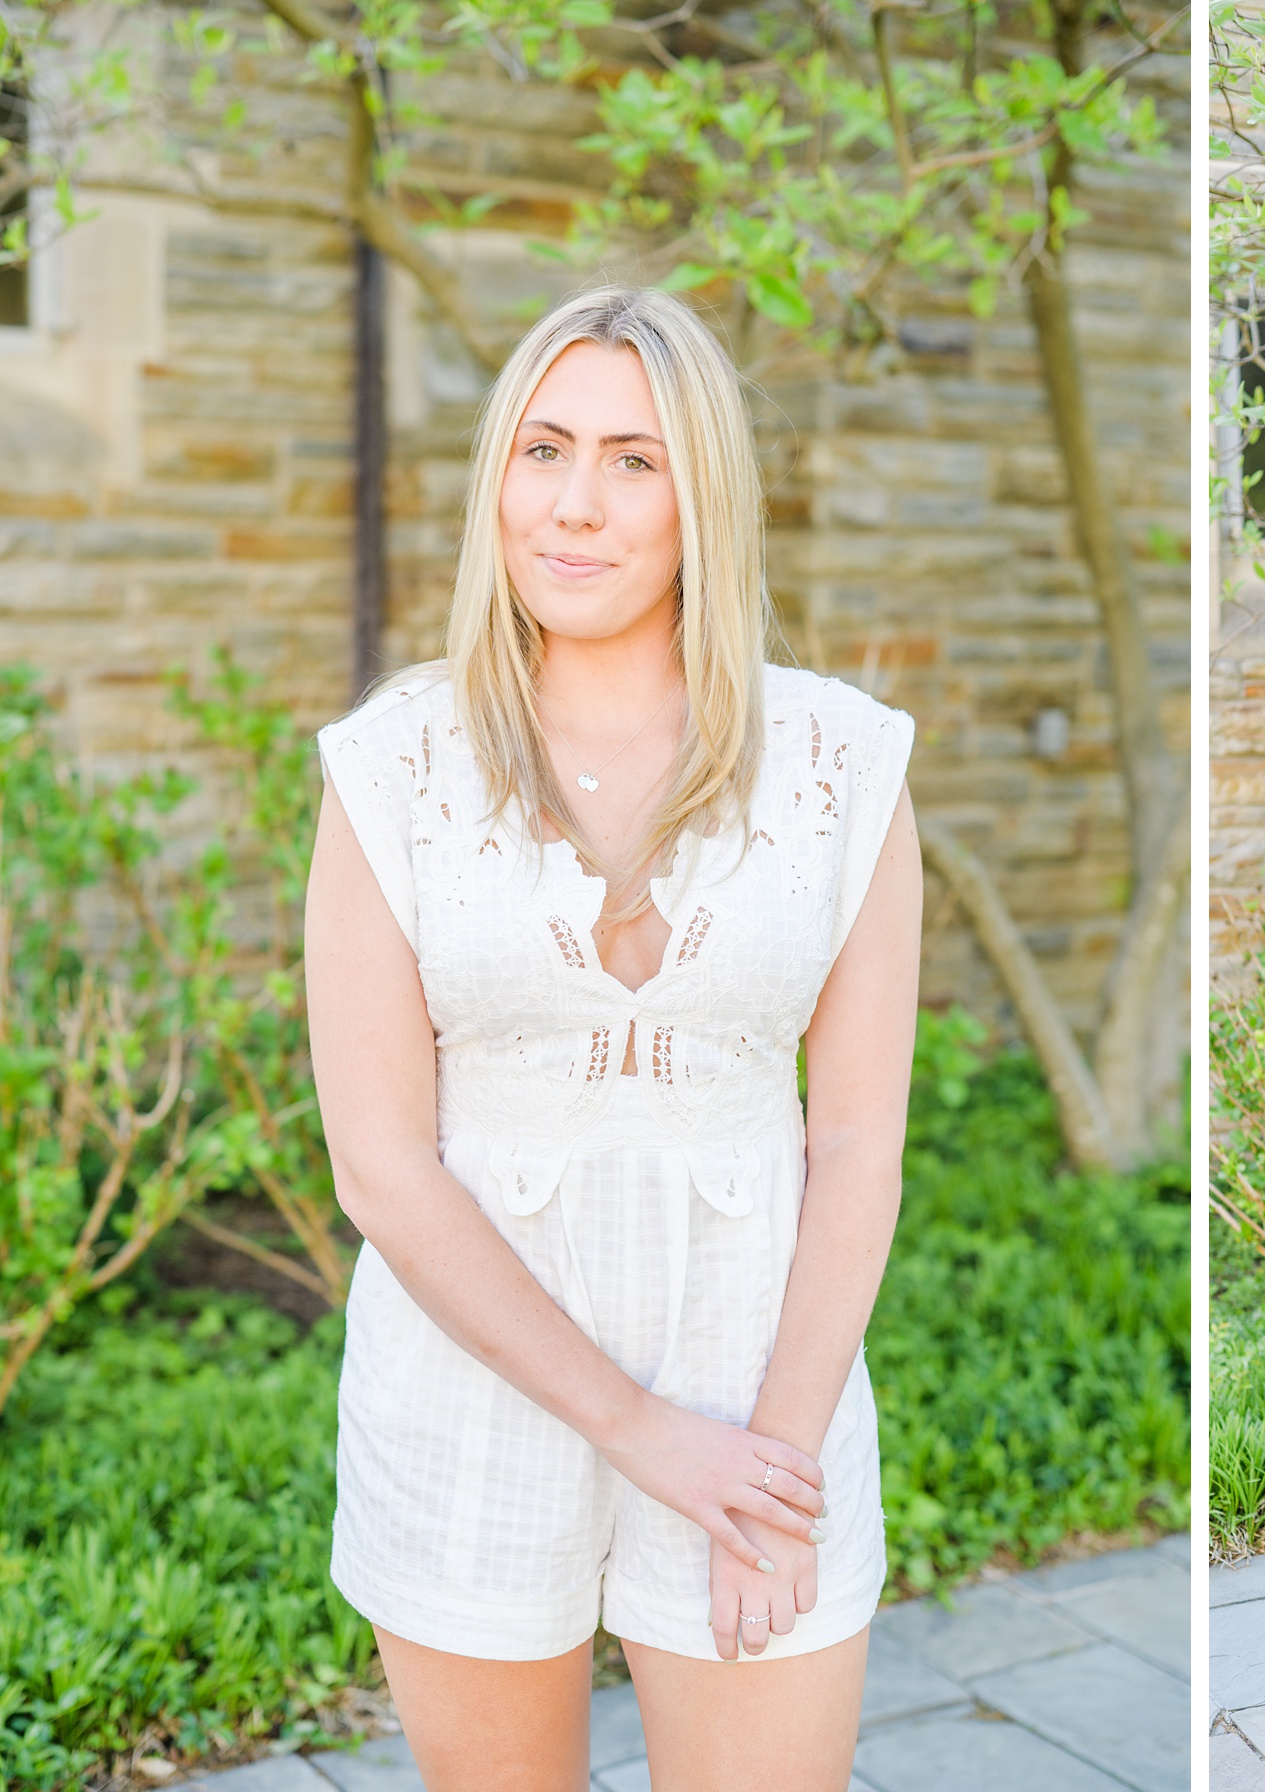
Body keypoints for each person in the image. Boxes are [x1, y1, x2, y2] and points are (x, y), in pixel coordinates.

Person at [304, 285, 920, 1792]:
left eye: (636, 461)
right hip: (471, 1388)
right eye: (545, 450)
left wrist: (761, 1469)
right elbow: (384, 1169)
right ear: (496, 482)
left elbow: (854, 1142)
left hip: (764, 1379)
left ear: (703, 494)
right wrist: (642, 1433)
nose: (576, 506)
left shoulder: (841, 761)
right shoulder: (394, 765)